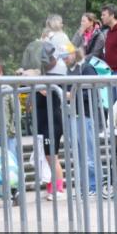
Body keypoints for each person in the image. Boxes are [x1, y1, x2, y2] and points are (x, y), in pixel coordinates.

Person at [64, 45, 100, 196]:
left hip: (85, 115)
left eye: (66, 55)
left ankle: (94, 186)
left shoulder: (87, 68)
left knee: (89, 154)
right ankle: (83, 187)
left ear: (74, 53)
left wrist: (72, 95)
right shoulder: (70, 71)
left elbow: (91, 92)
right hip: (73, 115)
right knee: (78, 155)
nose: (64, 59)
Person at [37, 42, 67, 200]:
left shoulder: (55, 76)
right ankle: (51, 188)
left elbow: (44, 91)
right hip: (44, 121)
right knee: (47, 156)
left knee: (52, 157)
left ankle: (59, 189)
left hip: (52, 121)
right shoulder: (43, 75)